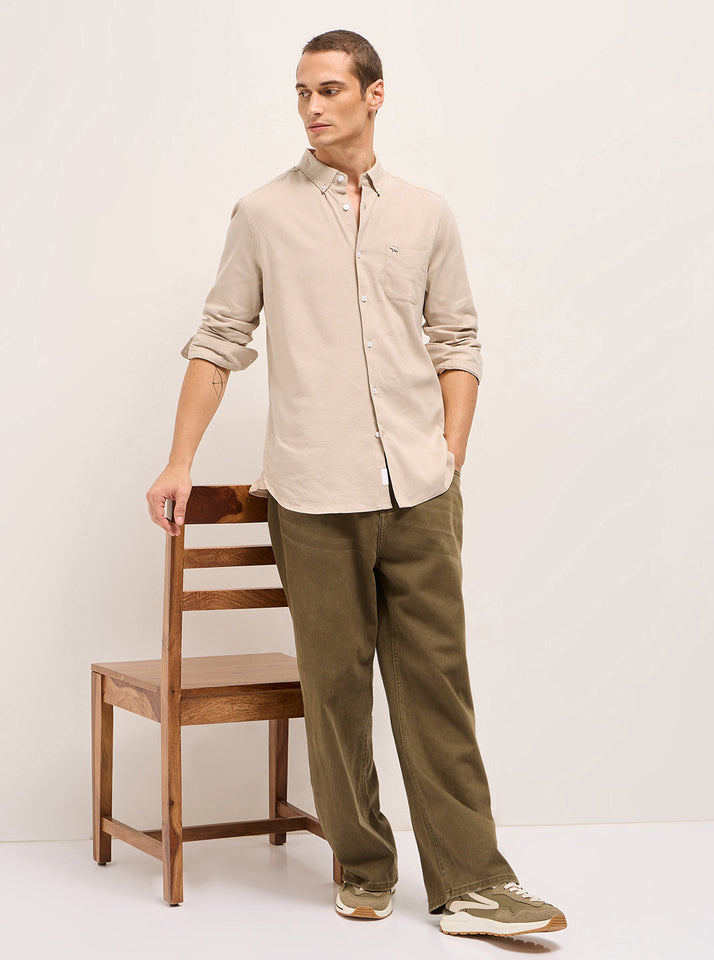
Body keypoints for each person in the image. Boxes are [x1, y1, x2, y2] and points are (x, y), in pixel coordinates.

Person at [146, 28, 567, 939]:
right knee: (335, 690)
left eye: (330, 89)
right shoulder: (262, 214)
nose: (312, 107)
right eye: (302, 92)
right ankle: (364, 864)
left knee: (437, 684)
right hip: (314, 493)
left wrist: (449, 452)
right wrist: (180, 460)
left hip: (419, 489)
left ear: (375, 95)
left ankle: (471, 885)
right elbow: (219, 340)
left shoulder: (426, 214)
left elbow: (458, 338)